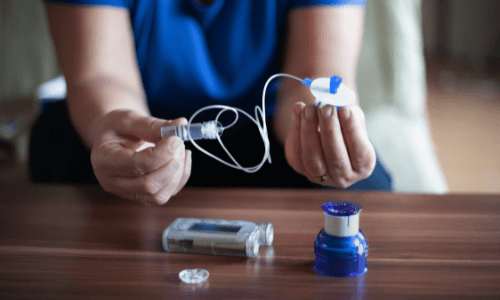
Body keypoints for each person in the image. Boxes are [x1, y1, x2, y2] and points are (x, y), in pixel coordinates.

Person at [31, 0, 392, 205]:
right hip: (136, 136)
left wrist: (314, 133)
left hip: (271, 145)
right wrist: (122, 134)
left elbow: (314, 77)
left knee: (363, 194)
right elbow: (101, 76)